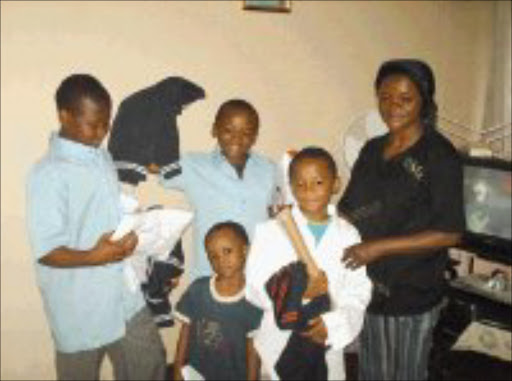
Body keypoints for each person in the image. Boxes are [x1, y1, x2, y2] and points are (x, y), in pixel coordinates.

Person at [26, 74, 167, 380]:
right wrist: (96, 256)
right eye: (93, 124)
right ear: (64, 116)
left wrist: (132, 234)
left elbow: (103, 220)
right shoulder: (47, 174)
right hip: (79, 308)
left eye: (107, 123)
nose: (102, 132)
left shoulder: (102, 158)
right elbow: (47, 251)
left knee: (151, 364)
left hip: (122, 296)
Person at [337, 59, 466, 380]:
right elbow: (348, 210)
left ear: (424, 100)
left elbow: (450, 233)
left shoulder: (440, 156)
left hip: (410, 293)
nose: (392, 106)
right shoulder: (371, 149)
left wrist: (378, 248)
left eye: (405, 98)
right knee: (370, 372)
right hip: (366, 287)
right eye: (384, 97)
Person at [246, 147, 372, 380]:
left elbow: (358, 290)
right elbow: (254, 287)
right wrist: (298, 293)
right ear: (291, 187)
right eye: (300, 184)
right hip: (278, 345)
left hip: (326, 339)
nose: (308, 191)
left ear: (336, 184)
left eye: (318, 182)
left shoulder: (348, 235)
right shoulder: (271, 231)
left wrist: (333, 326)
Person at [160, 98, 279, 280]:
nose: (237, 139)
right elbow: (156, 166)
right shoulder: (193, 165)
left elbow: (277, 215)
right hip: (210, 277)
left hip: (258, 277)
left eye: (246, 132)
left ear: (255, 136)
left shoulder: (270, 170)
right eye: (228, 130)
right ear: (215, 130)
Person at [173, 221, 263, 381]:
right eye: (213, 256)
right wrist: (177, 369)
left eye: (227, 251)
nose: (221, 260)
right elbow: (185, 331)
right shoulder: (198, 289)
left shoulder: (254, 299)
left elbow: (253, 350)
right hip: (196, 373)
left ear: (245, 250)